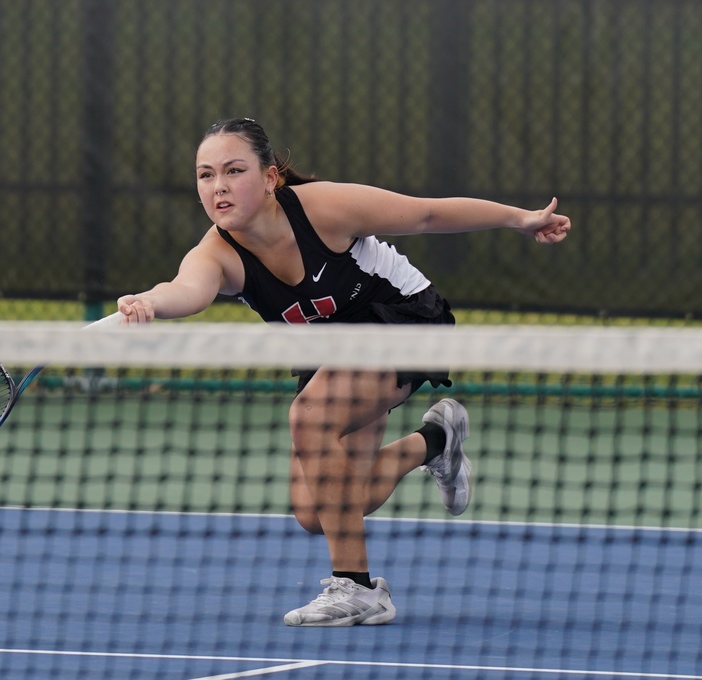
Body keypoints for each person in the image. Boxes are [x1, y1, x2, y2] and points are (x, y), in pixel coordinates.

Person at [116, 117, 571, 627]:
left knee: (309, 417)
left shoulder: (323, 210)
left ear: (270, 177)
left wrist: (520, 219)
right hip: (332, 350)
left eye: (233, 170)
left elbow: (425, 215)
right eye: (205, 175)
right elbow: (187, 290)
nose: (218, 186)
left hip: (400, 316)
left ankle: (357, 589)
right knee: (321, 510)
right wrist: (149, 302)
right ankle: (435, 441)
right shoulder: (217, 253)